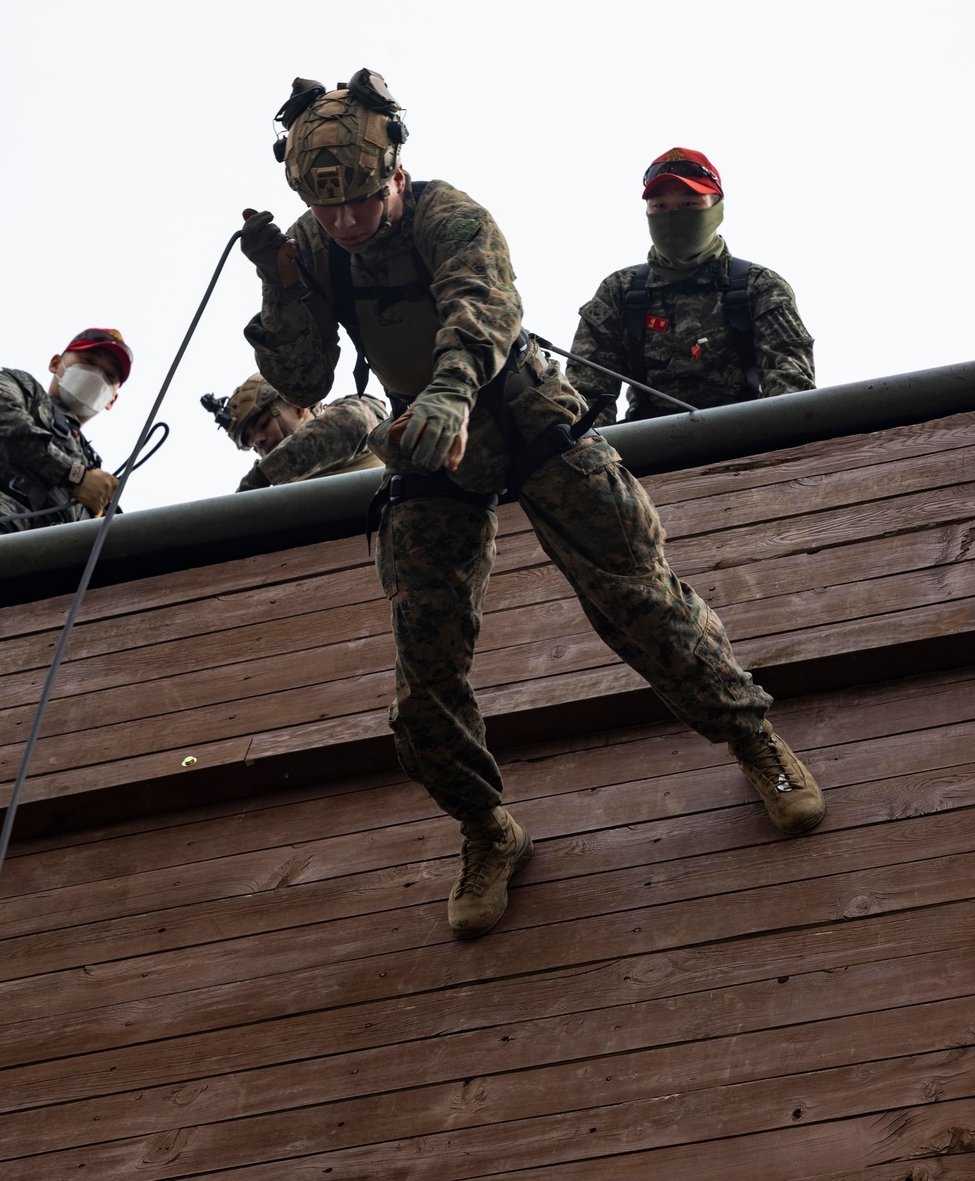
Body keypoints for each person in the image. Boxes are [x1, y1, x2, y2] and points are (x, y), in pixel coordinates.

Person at [241, 72, 825, 940]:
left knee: (636, 590)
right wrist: (282, 284)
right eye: (327, 210)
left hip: (518, 411)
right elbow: (300, 378)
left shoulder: (450, 214)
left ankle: (752, 739)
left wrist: (448, 390)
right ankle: (486, 829)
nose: (346, 223)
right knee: (423, 670)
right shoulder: (316, 247)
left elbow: (484, 306)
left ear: (393, 172)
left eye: (360, 203)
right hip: (428, 449)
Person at [568, 147, 815, 420]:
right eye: (660, 207)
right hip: (645, 447)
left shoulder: (759, 287)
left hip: (747, 439)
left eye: (689, 205)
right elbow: (585, 398)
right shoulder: (619, 292)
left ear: (716, 210)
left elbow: (792, 389)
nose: (673, 217)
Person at [0, 329, 131, 537]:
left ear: (112, 399)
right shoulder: (22, 387)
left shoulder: (92, 467)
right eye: (89, 361)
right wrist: (73, 475)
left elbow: (119, 538)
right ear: (56, 364)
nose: (96, 375)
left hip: (47, 557)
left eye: (109, 375)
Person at [201, 371, 386, 490]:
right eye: (250, 442)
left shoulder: (356, 409)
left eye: (264, 423)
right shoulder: (282, 494)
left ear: (298, 408)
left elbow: (353, 423)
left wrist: (263, 475)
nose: (257, 441)